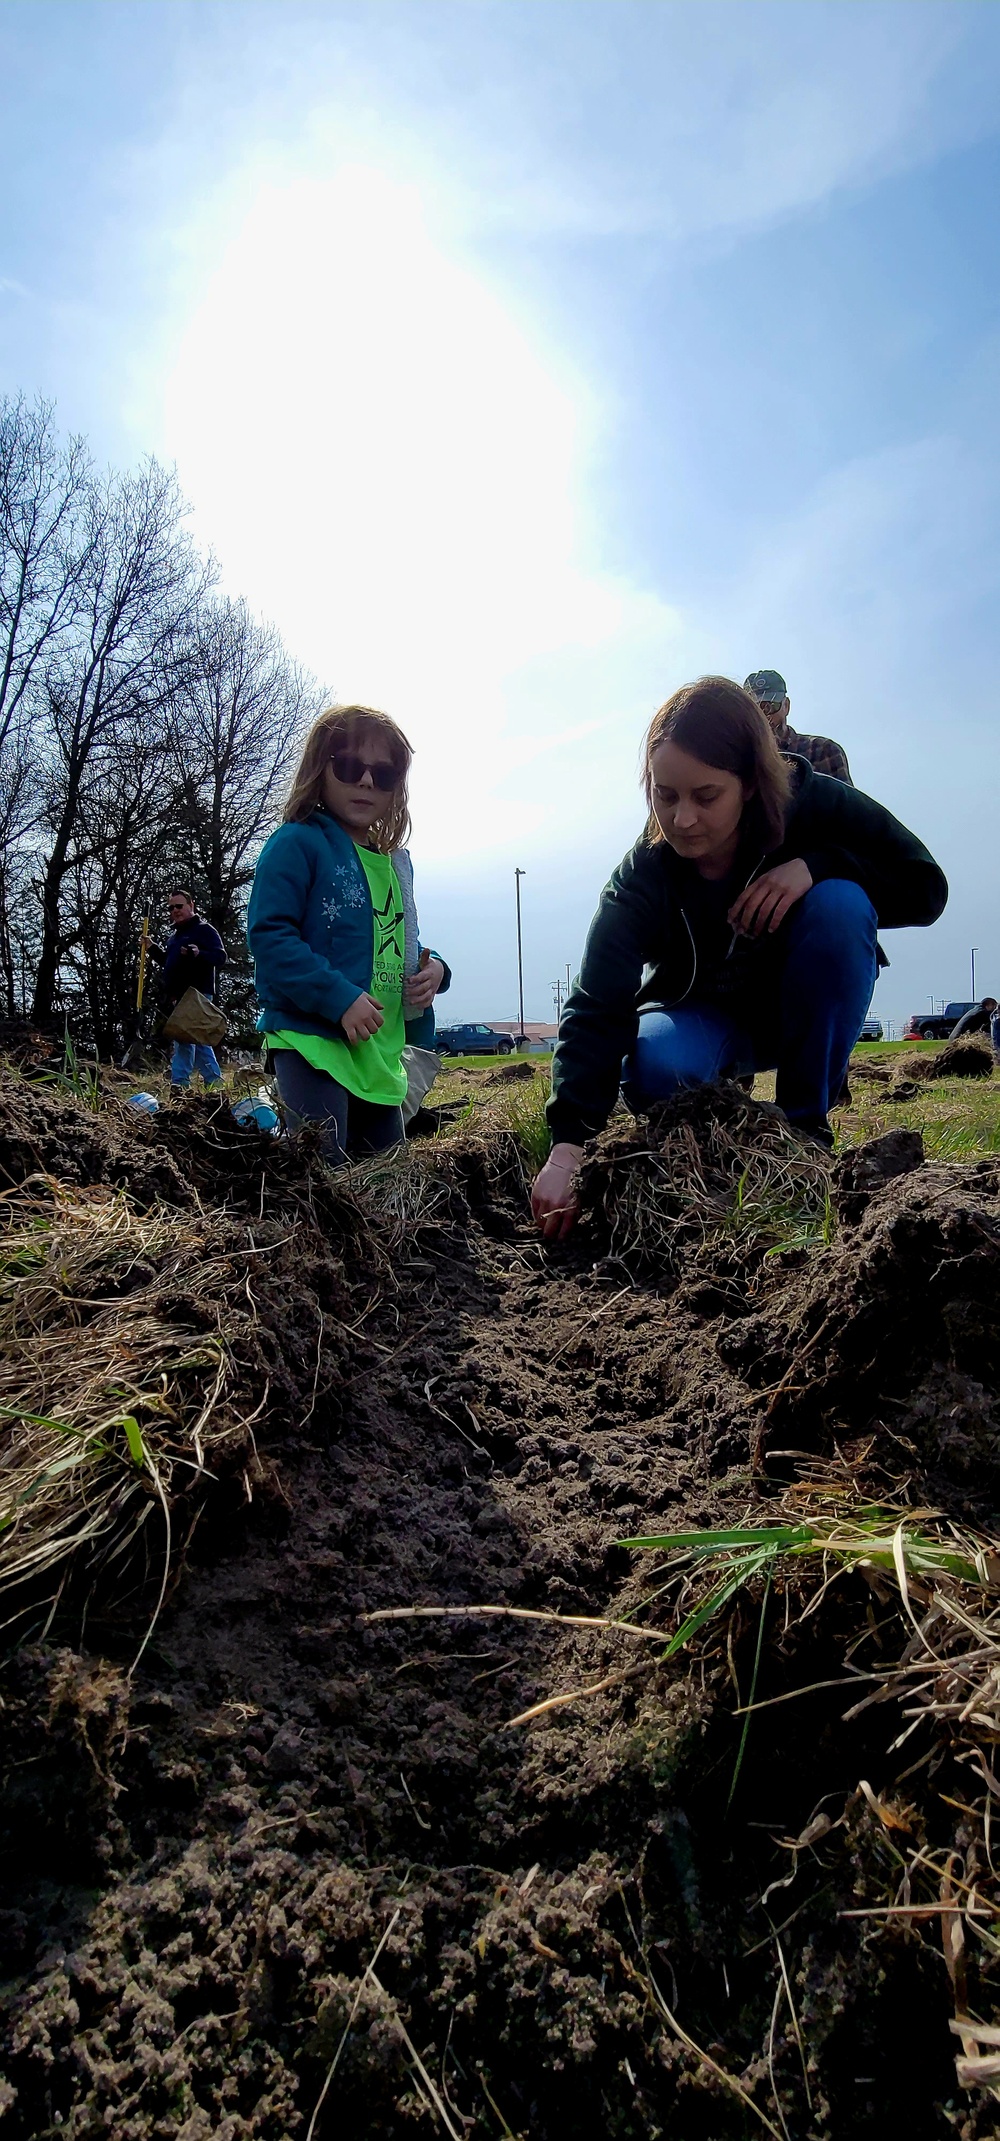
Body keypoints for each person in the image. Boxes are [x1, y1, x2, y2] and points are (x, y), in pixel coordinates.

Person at [531, 676, 947, 1239]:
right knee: (655, 1065)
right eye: (665, 795)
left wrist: (820, 866)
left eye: (706, 796)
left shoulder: (812, 801)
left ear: (750, 782)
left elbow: (925, 886)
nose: (681, 820)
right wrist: (567, 1147)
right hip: (705, 1017)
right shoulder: (642, 875)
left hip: (799, 1011)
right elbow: (597, 1004)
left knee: (841, 906)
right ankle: (708, 1154)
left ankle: (804, 1138)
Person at [246, 703, 449, 1164]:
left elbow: (395, 942)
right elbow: (270, 936)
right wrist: (337, 998)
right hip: (311, 1040)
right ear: (321, 767)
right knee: (324, 1172)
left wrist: (436, 968)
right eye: (350, 766)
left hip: (376, 1051)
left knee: (386, 1178)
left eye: (384, 773)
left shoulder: (394, 863)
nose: (365, 781)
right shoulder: (297, 843)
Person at [149, 889, 228, 1091]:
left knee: (189, 1040)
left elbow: (220, 957)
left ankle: (184, 1085)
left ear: (191, 906)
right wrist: (151, 948)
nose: (175, 910)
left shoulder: (204, 930)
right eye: (171, 907)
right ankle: (209, 1085)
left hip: (197, 995)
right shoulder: (174, 938)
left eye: (179, 906)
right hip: (179, 997)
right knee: (192, 1040)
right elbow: (168, 962)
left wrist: (197, 952)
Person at [745, 669, 852, 784]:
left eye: (768, 707)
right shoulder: (740, 761)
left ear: (786, 706)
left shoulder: (821, 750)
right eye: (754, 710)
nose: (762, 716)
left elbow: (842, 802)